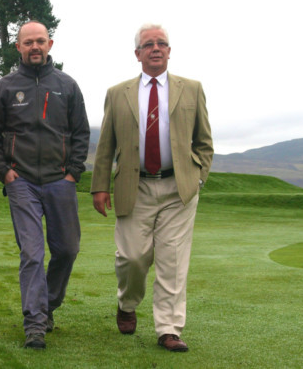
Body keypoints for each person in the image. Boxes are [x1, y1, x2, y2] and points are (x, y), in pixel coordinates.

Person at [91, 24, 213, 352]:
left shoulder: (192, 88)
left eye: (162, 43)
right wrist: (99, 186)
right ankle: (127, 304)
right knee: (132, 258)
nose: (156, 48)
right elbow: (105, 145)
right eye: (148, 44)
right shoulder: (118, 93)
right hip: (135, 185)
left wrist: (198, 176)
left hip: (179, 188)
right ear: (138, 54)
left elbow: (204, 141)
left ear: (169, 51)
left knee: (173, 260)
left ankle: (168, 329)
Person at [0, 21, 90, 350]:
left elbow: (81, 133)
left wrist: (73, 172)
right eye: (28, 42)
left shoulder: (67, 85)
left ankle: (48, 306)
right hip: (22, 183)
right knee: (31, 254)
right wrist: (3, 171)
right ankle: (34, 321)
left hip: (61, 181)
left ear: (50, 44)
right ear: (18, 47)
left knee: (67, 250)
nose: (35, 46)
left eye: (40, 41)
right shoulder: (4, 87)